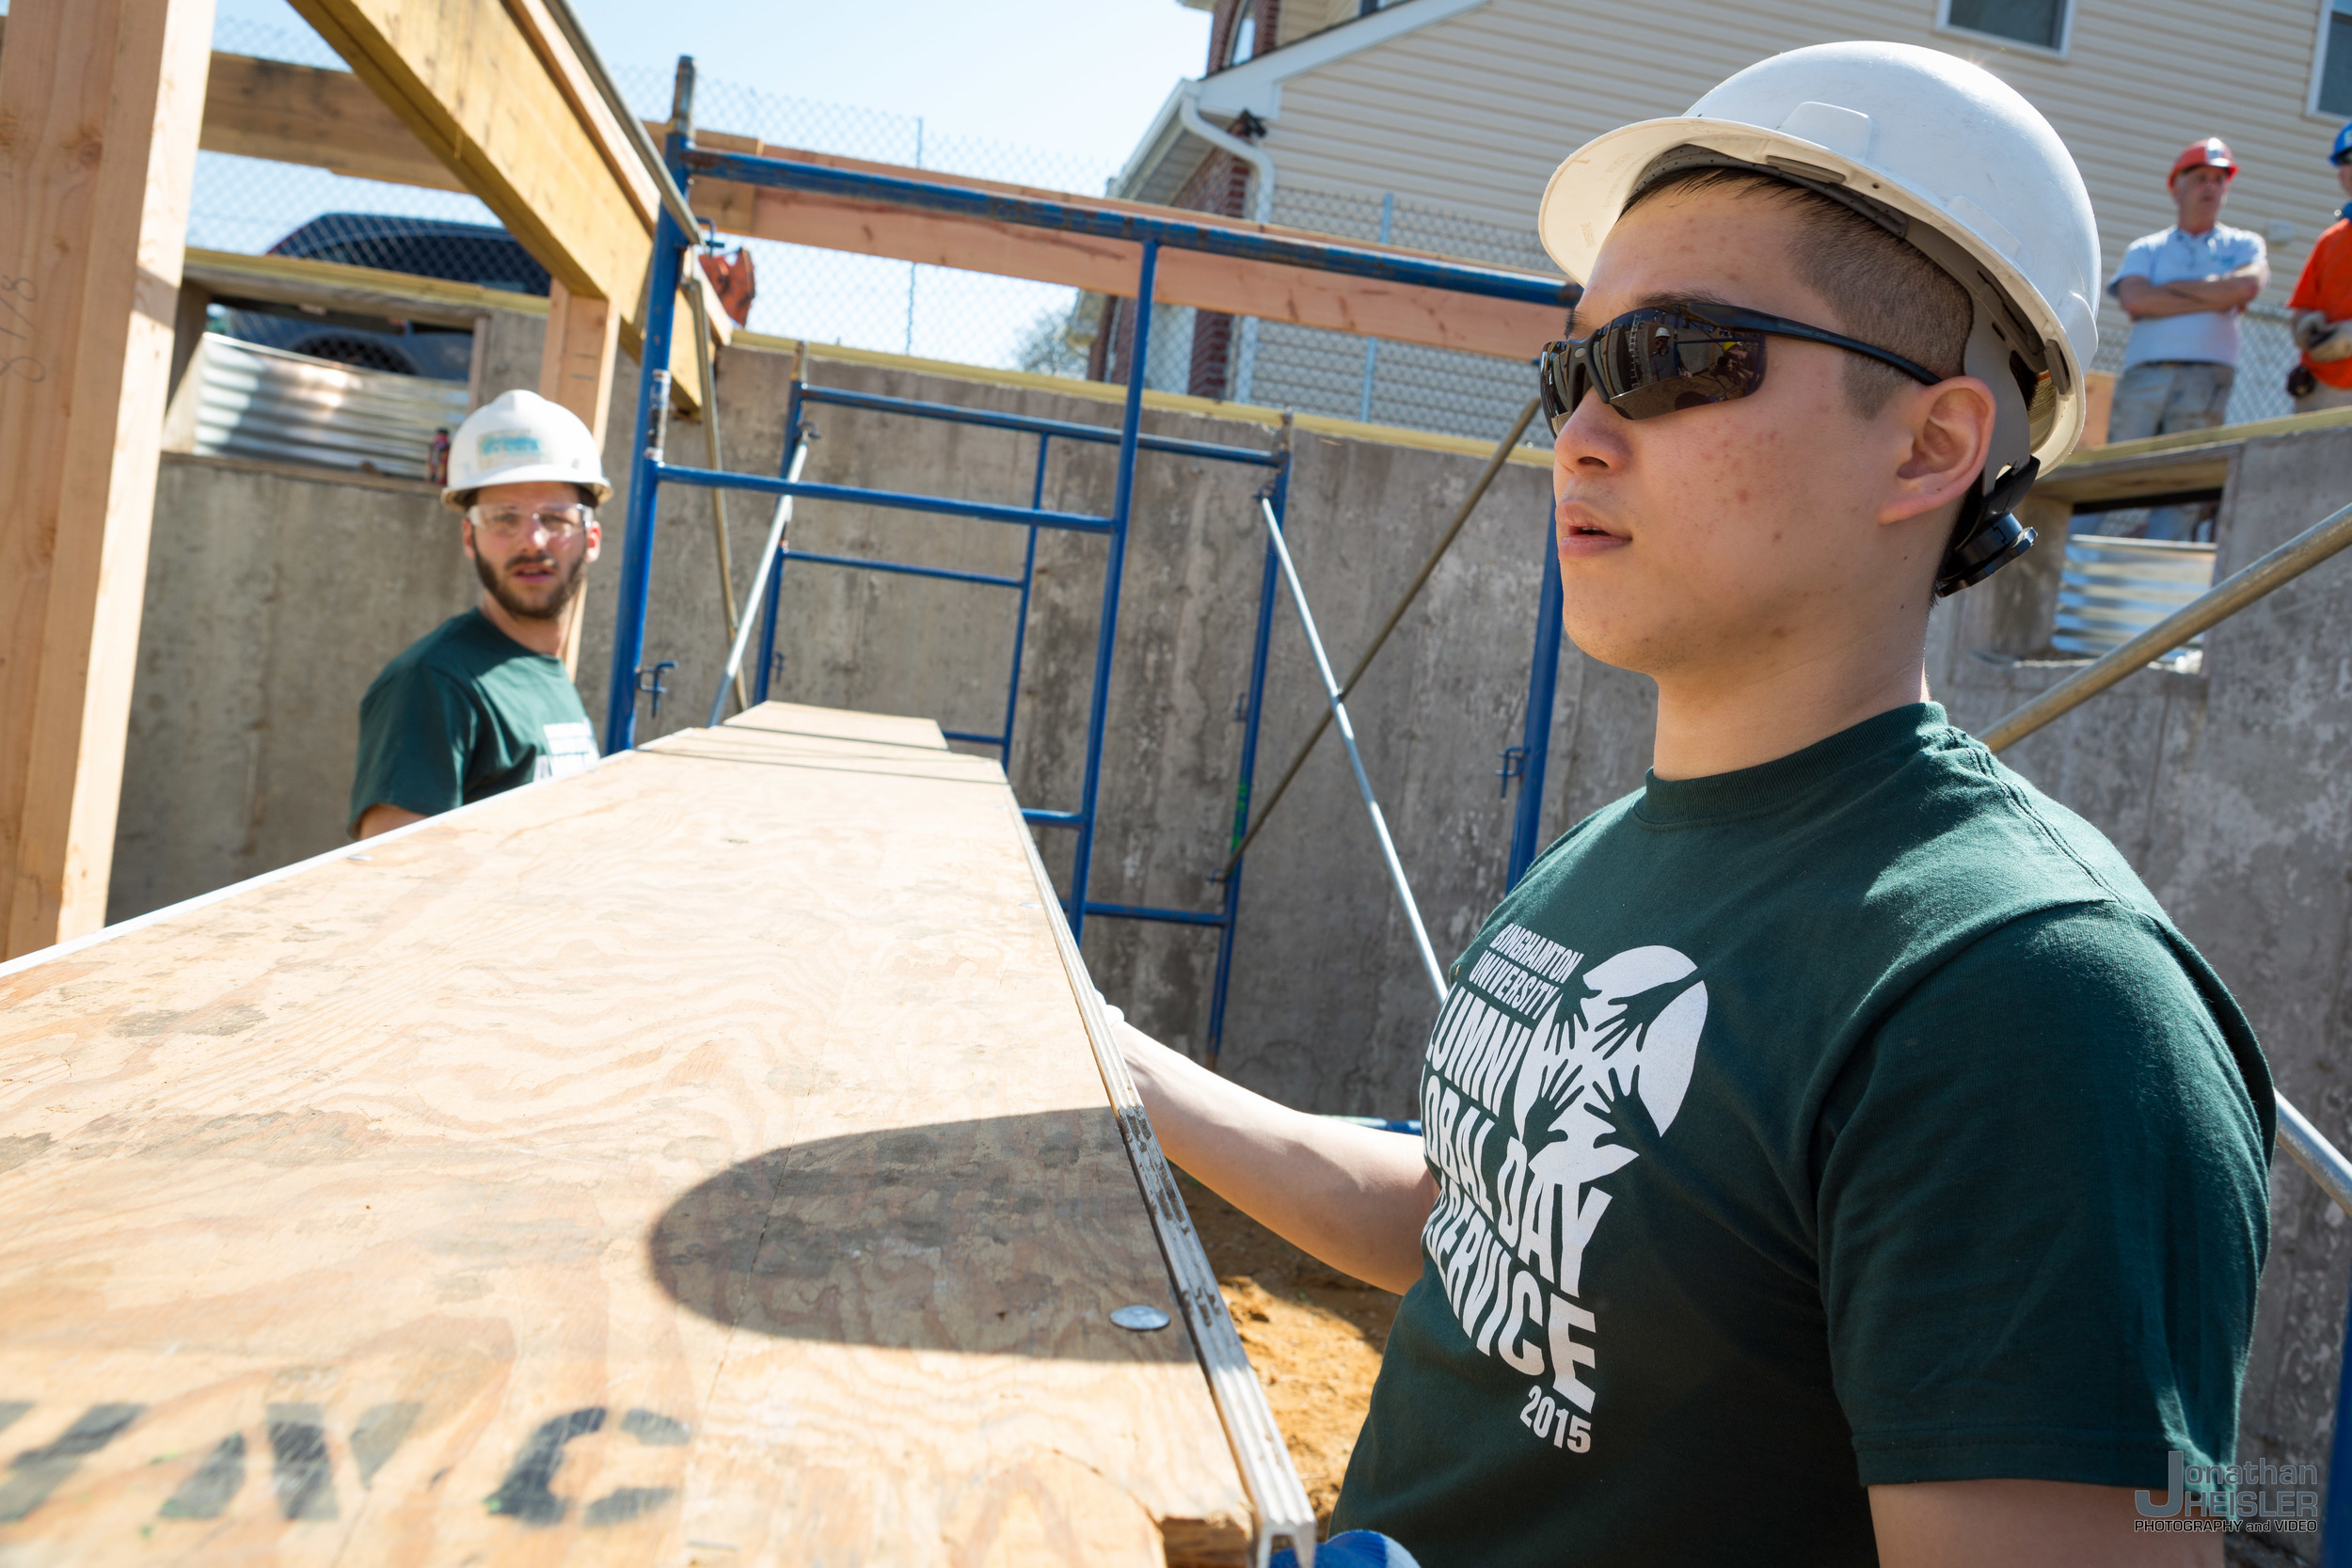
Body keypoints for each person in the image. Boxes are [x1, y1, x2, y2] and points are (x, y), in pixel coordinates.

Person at [1118, 42, 2268, 1568]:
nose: (1581, 432)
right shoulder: (1611, 857)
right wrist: (1105, 1052)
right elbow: (1463, 1222)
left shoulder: (2029, 998)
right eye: (1571, 366)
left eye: (1673, 358)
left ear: (1928, 447)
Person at [349, 389, 608, 838]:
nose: (533, 541)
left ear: (591, 539)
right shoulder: (433, 684)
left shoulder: (543, 670)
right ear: (469, 538)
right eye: (504, 518)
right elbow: (394, 887)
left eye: (555, 518)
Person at [2105, 138, 2266, 540]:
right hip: (2145, 376)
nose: (2210, 187)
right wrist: (2215, 294)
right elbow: (2135, 297)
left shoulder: (2245, 244)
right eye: (2200, 178)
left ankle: (2163, 566)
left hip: (2207, 379)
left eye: (2219, 179)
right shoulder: (2147, 247)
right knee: (2110, 468)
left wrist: (2168, 292)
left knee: (2184, 480)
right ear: (2176, 185)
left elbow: (2247, 287)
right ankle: (2071, 556)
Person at [2287, 121, 2352, 415]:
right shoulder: (2330, 241)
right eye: (2349, 159)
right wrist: (2305, 326)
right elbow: (2302, 308)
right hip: (2321, 392)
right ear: (2340, 174)